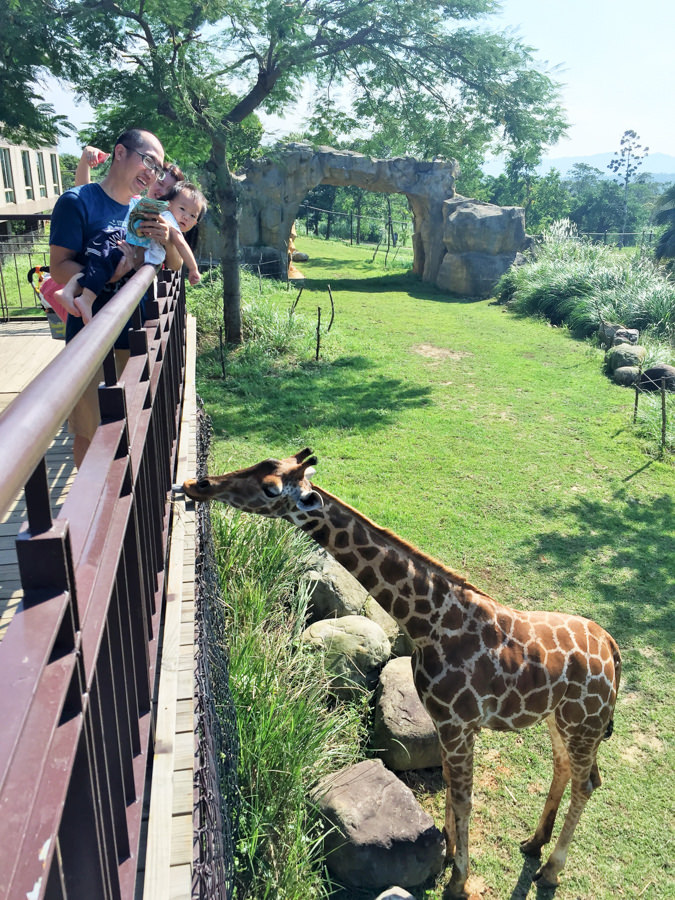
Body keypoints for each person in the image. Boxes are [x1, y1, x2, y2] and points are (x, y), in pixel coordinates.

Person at [50, 128, 176, 466]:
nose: (152, 172)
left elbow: (168, 265)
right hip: (91, 339)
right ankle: (88, 516)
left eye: (159, 167)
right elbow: (58, 266)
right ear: (119, 153)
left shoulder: (142, 209)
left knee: (129, 434)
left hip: (135, 337)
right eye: (148, 160)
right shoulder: (77, 202)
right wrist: (109, 274)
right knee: (91, 434)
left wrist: (161, 243)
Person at [54, 181, 207, 323]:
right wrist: (193, 269)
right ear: (169, 204)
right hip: (126, 244)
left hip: (123, 243)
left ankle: (68, 291)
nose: (186, 216)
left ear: (196, 222)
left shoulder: (161, 216)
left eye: (193, 215)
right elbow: (181, 244)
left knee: (98, 267)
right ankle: (86, 299)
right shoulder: (169, 221)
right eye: (182, 209)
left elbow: (175, 263)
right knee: (104, 269)